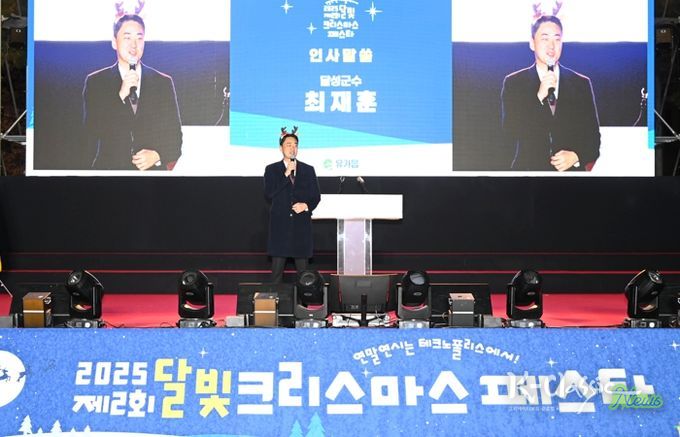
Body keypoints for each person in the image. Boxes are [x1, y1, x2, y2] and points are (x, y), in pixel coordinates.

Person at [82, 14, 182, 170]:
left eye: (139, 38)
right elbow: (91, 131)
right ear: (114, 42)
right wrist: (120, 96)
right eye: (127, 37)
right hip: (110, 173)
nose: (134, 45)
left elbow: (175, 137)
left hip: (151, 176)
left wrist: (158, 155)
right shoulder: (96, 82)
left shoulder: (162, 82)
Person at [501, 15, 600, 171]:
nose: (551, 46)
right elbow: (510, 132)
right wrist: (538, 98)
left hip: (569, 176)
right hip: (528, 175)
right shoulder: (514, 83)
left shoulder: (581, 84)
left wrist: (577, 156)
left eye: (557, 39)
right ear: (532, 43)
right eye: (545, 39)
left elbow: (593, 139)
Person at [264, 127, 321, 283]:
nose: (292, 148)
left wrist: (306, 205)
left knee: (304, 275)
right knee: (276, 274)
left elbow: (316, 196)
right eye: (288, 144)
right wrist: (286, 174)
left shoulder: (308, 170)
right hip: (280, 226)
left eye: (295, 145)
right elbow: (269, 193)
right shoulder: (272, 169)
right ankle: (276, 297)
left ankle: (303, 298)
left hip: (300, 227)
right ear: (280, 148)